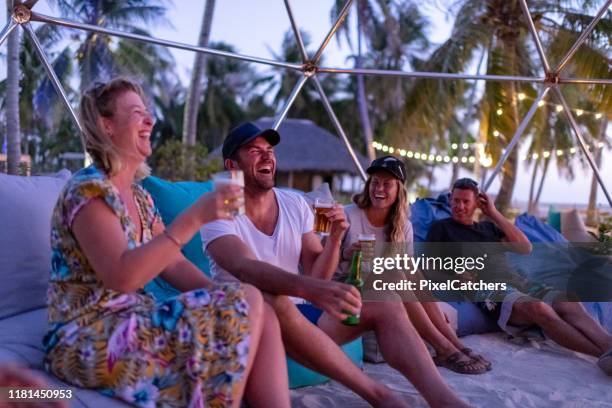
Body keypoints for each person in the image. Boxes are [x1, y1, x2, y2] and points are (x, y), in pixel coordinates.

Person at [43, 78, 290, 408]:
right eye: (136, 113)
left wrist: (220, 295)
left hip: (133, 317)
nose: (150, 120)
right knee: (246, 299)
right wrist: (195, 218)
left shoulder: (140, 197)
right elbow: (122, 277)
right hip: (87, 333)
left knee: (258, 307)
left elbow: (173, 263)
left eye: (148, 113)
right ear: (107, 126)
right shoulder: (88, 191)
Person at [202, 122, 470, 408]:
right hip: (249, 321)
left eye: (270, 150)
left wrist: (335, 239)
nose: (268, 157)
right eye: (255, 151)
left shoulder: (293, 203)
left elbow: (317, 272)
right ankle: (379, 395)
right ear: (232, 165)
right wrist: (312, 288)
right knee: (269, 296)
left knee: (386, 293)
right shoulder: (219, 206)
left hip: (301, 316)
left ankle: (445, 400)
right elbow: (244, 267)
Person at [426, 177, 612, 375]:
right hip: (488, 289)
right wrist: (453, 278)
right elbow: (429, 267)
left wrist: (494, 213)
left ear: (477, 204)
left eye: (465, 201)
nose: (459, 206)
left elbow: (525, 247)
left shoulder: (488, 228)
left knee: (568, 301)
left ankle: (609, 345)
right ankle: (602, 354)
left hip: (518, 281)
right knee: (538, 307)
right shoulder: (441, 228)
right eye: (455, 201)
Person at [337, 156, 490, 375]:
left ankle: (456, 344)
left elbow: (410, 272)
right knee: (398, 273)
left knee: (409, 271)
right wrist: (347, 252)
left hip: (383, 286)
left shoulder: (403, 226)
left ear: (398, 189)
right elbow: (326, 257)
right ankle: (444, 347)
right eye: (375, 182)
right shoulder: (348, 214)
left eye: (387, 184)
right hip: (349, 284)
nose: (379, 188)